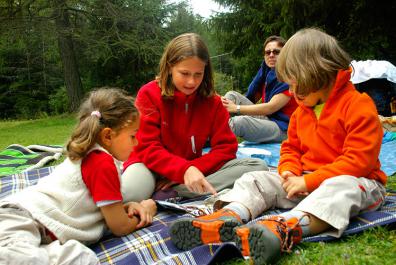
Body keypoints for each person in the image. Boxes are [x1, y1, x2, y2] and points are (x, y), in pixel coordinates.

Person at [169, 28, 387, 264]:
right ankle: (229, 216)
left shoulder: (358, 106)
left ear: (318, 73)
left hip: (358, 181)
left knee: (342, 188)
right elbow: (290, 148)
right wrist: (289, 171)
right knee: (258, 178)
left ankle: (286, 228)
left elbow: (358, 162)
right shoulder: (301, 112)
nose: (291, 93)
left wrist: (308, 181)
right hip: (304, 180)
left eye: (296, 85)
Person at [0, 88, 157, 265]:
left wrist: (126, 206)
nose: (136, 143)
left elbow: (101, 207)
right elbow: (120, 226)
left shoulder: (94, 155)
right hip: (21, 221)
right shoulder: (102, 163)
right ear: (107, 135)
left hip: (24, 222)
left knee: (80, 257)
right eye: (133, 136)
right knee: (81, 258)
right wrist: (146, 211)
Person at [122, 33, 267, 200]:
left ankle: (176, 192)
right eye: (184, 73)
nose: (191, 82)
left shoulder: (213, 102)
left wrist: (189, 169)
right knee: (128, 196)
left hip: (190, 170)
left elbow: (226, 149)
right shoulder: (149, 94)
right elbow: (146, 147)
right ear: (170, 67)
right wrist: (182, 170)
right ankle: (183, 190)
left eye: (198, 74)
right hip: (149, 167)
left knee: (257, 166)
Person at [222, 36, 298, 143]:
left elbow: (271, 107)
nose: (271, 55)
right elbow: (253, 96)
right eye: (268, 52)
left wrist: (236, 108)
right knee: (232, 96)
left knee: (239, 123)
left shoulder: (289, 76)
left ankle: (207, 137)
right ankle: (208, 126)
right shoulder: (267, 72)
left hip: (284, 128)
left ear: (285, 54)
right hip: (269, 118)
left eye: (276, 52)